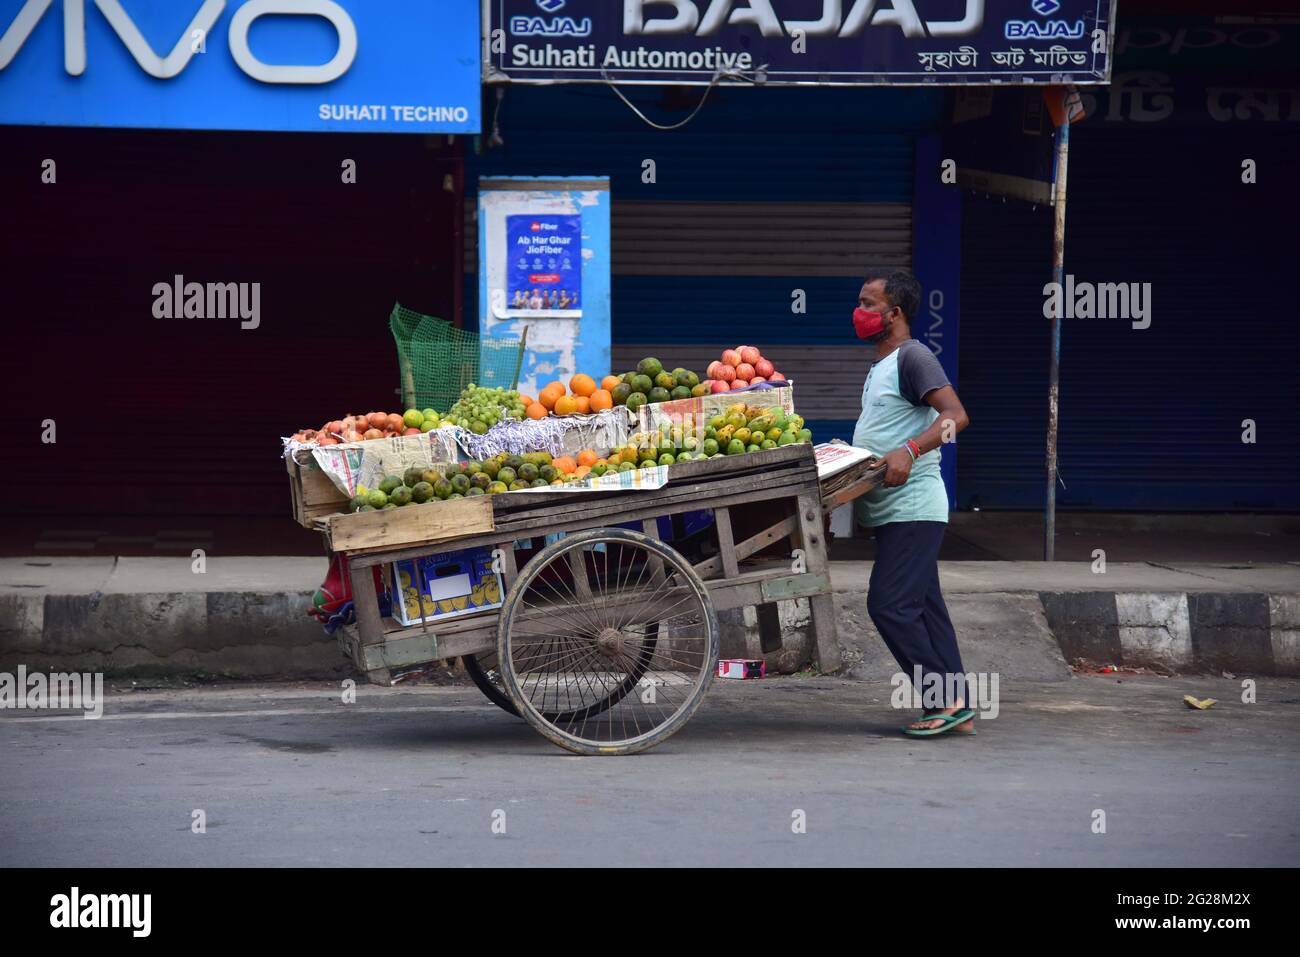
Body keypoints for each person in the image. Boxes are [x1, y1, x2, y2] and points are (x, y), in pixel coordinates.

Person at [851, 269, 974, 738]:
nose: (858, 313)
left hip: (914, 507)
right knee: (923, 606)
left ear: (893, 313)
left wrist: (910, 450)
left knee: (889, 605)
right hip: (892, 511)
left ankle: (942, 700)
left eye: (867, 304)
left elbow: (956, 416)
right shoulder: (881, 366)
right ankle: (955, 702)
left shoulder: (914, 356)